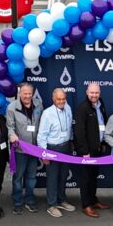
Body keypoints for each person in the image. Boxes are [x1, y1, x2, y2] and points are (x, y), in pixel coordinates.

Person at [36, 88, 75, 218]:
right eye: (58, 99)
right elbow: (41, 136)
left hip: (65, 147)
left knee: (63, 176)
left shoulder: (68, 108)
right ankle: (51, 205)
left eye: (63, 99)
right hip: (52, 149)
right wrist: (44, 154)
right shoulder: (47, 113)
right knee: (52, 178)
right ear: (53, 99)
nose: (61, 101)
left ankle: (61, 200)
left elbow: (69, 128)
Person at [74, 82, 110, 218]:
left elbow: (102, 123)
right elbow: (79, 131)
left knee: (93, 177)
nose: (94, 95)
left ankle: (93, 201)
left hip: (98, 148)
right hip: (87, 151)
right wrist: (84, 151)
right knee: (86, 178)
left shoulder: (101, 104)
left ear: (99, 93)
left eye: (96, 93)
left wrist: (103, 142)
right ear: (87, 93)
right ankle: (86, 205)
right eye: (92, 93)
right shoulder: (82, 108)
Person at [7, 83, 43, 215]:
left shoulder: (38, 104)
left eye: (29, 93)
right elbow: (10, 127)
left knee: (32, 177)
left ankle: (30, 200)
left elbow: (41, 124)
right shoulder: (12, 108)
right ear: (19, 93)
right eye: (25, 93)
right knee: (18, 177)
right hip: (20, 150)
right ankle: (17, 202)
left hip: (34, 149)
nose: (27, 96)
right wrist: (12, 135)